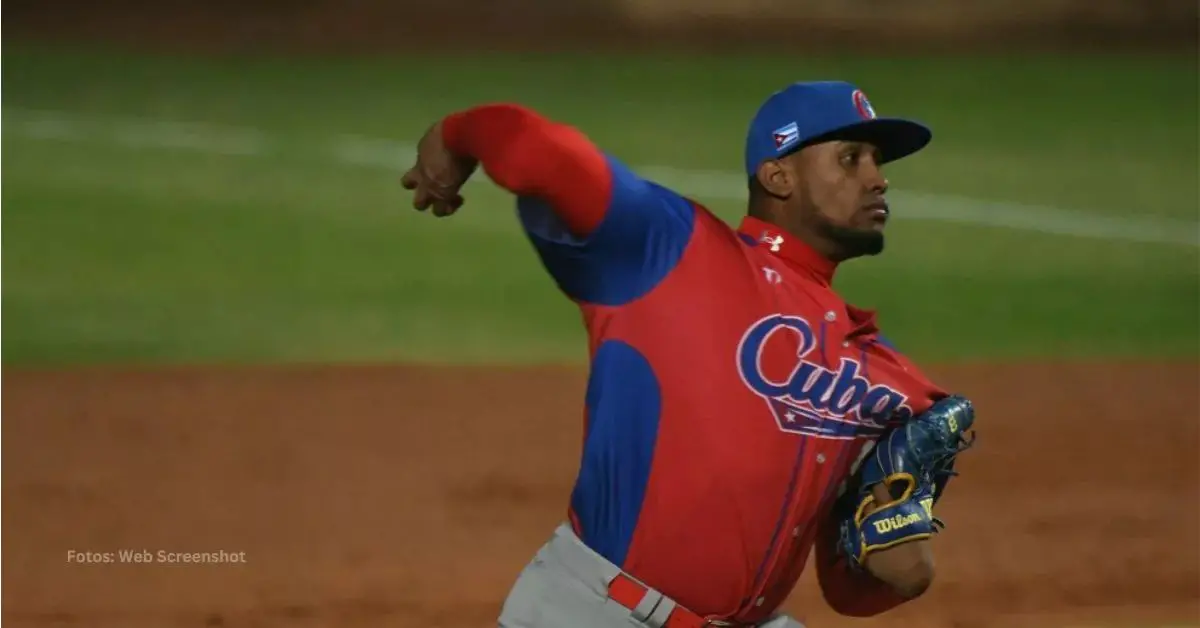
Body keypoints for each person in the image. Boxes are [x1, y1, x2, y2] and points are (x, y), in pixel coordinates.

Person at [401, 80, 976, 627]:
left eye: (879, 162)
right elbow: (537, 148)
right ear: (778, 176)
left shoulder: (886, 377)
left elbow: (853, 592)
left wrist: (903, 554)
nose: (878, 180)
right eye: (852, 158)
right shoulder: (673, 251)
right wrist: (455, 136)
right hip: (596, 613)